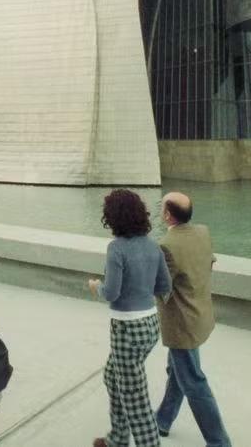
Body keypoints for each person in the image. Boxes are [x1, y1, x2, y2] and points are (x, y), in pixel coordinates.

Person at [87, 190, 171, 447]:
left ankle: (145, 443)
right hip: (150, 325)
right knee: (113, 376)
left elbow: (112, 293)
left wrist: (95, 287)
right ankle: (118, 438)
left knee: (135, 397)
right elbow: (164, 286)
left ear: (112, 218)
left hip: (126, 329)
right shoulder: (153, 245)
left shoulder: (116, 249)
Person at [153, 193, 232, 446]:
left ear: (167, 215)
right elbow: (206, 265)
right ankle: (163, 420)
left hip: (181, 326)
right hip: (200, 316)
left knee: (194, 381)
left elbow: (161, 289)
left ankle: (219, 442)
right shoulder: (203, 232)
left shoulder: (166, 245)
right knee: (178, 371)